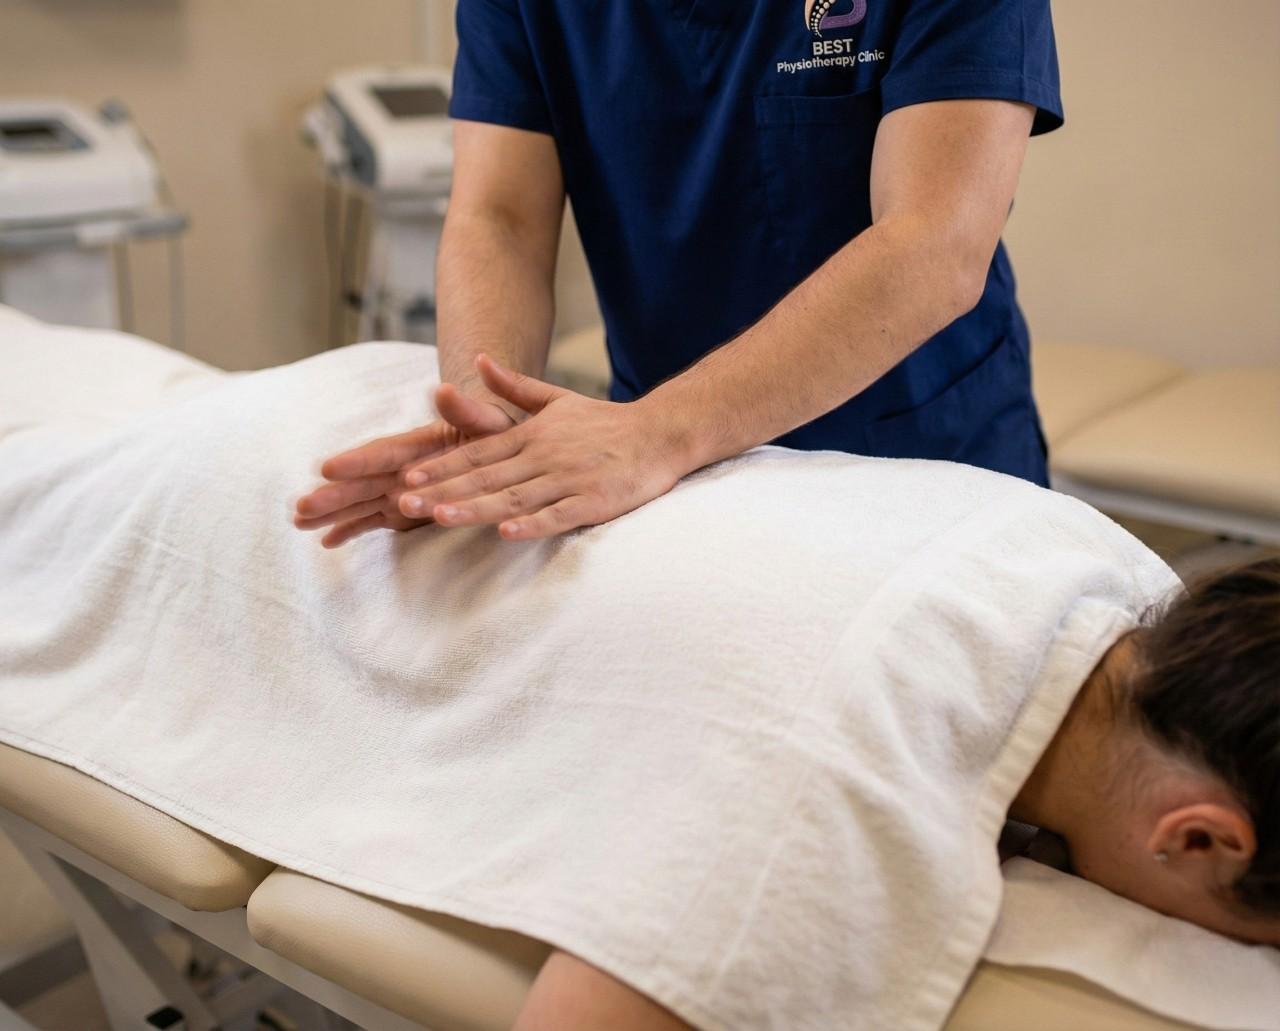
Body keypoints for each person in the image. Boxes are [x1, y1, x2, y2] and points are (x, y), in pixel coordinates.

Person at [295, 0, 1065, 547]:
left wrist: (655, 434)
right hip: (669, 477)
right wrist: (485, 428)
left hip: (918, 465)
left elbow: (934, 245)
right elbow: (499, 216)